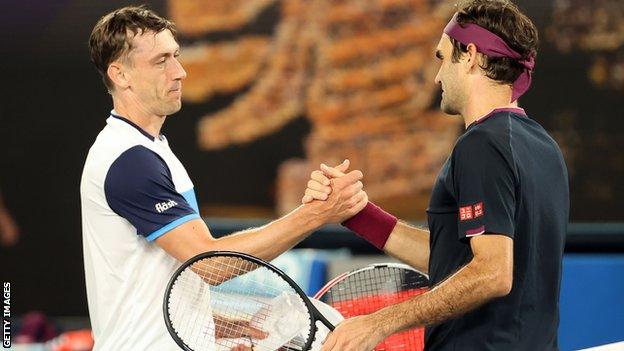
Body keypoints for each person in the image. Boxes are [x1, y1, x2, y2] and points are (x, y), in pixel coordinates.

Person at [81, 6, 367, 350]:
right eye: (161, 62)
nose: (180, 72)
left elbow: (157, 276)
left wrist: (212, 325)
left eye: (176, 56)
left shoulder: (149, 148)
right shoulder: (130, 160)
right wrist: (316, 214)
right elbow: (209, 262)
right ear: (120, 75)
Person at [304, 1, 569, 350]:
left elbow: (492, 273)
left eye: (443, 58)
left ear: (471, 55)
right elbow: (454, 262)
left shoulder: (481, 145)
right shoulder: (544, 148)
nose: (437, 76)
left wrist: (380, 322)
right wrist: (357, 214)